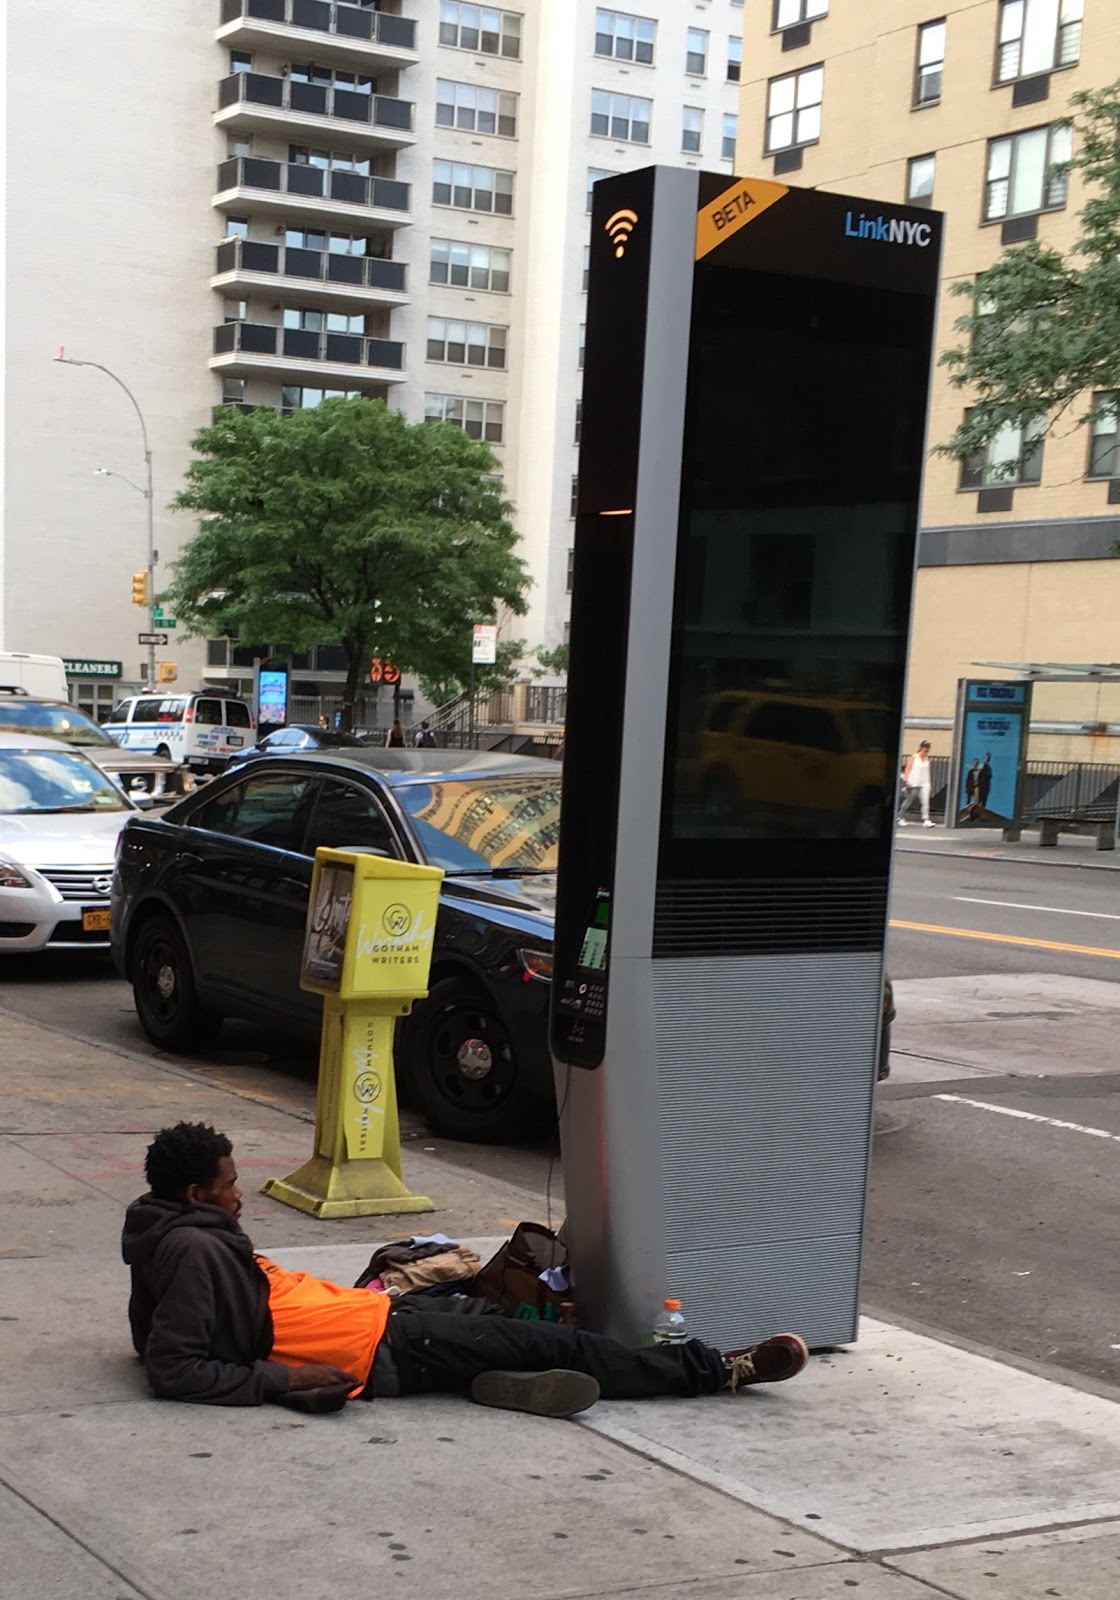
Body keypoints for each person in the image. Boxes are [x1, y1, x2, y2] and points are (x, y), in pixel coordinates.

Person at [122, 1123, 809, 1416]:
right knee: (560, 1342)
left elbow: (157, 1327)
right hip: (381, 1350)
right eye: (231, 1183)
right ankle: (720, 1371)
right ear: (195, 1194)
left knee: (506, 1318)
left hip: (382, 1318)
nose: (241, 1192)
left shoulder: (180, 1232)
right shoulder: (189, 1249)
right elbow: (171, 1367)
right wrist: (280, 1377)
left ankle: (491, 1379)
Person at [898, 740, 934, 828]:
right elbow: (907, 769)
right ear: (921, 748)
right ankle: (900, 817)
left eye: (927, 750)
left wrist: (929, 784)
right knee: (908, 801)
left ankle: (926, 820)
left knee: (925, 802)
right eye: (925, 749)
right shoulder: (913, 757)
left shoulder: (927, 759)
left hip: (924, 783)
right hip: (913, 782)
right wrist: (906, 779)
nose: (926, 752)